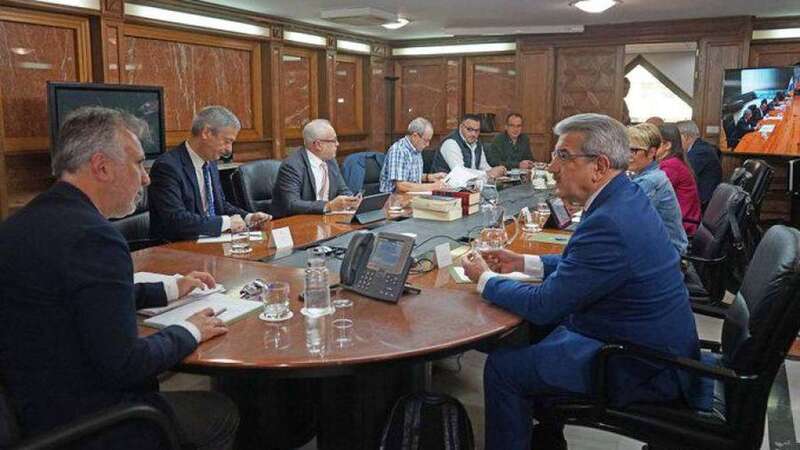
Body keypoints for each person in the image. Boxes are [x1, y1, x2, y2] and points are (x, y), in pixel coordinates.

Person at [0, 107, 238, 449]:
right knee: (219, 411)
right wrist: (191, 329)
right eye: (139, 163)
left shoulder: (24, 222)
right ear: (102, 167)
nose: (146, 178)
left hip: (29, 404)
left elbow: (81, 297)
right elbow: (127, 364)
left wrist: (170, 287)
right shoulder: (94, 236)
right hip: (87, 421)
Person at [460, 113, 703, 450]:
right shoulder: (624, 198)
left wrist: (483, 278)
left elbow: (545, 305)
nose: (552, 167)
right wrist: (524, 262)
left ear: (599, 166)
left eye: (563, 156)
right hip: (649, 342)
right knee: (532, 337)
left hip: (641, 365)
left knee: (504, 368)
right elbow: (587, 265)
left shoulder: (610, 220)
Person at [149, 105, 271, 241]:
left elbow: (220, 204)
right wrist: (225, 223)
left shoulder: (210, 162)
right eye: (226, 141)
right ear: (206, 133)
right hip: (176, 249)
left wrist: (248, 217)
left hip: (210, 243)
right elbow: (176, 219)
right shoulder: (167, 167)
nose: (229, 150)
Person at [271, 119, 359, 218]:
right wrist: (328, 206)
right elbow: (292, 204)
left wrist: (352, 200)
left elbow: (342, 189)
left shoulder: (330, 161)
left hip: (326, 219)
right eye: (333, 140)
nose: (337, 144)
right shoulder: (292, 166)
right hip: (296, 223)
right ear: (318, 145)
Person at [627, 123, 688, 255]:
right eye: (626, 150)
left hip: (668, 254)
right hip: (657, 245)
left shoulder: (651, 180)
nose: (628, 156)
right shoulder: (646, 174)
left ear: (652, 153)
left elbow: (627, 220)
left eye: (634, 151)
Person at [379, 117, 447, 193]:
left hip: (412, 197)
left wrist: (430, 177)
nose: (428, 144)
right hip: (394, 200)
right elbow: (401, 185)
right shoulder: (399, 150)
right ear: (415, 136)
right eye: (426, 140)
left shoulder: (416, 148)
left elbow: (410, 176)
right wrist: (433, 186)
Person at [658, 123, 702, 236]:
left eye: (654, 144)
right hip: (680, 222)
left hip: (681, 227)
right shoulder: (675, 161)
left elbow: (652, 197)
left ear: (667, 145)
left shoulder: (671, 165)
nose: (650, 148)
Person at [430, 113, 507, 178]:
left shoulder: (477, 143)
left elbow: (484, 167)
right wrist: (487, 174)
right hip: (444, 189)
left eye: (477, 130)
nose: (473, 134)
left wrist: (498, 172)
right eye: (469, 129)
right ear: (461, 127)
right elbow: (459, 172)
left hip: (468, 187)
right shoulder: (451, 143)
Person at [676, 120, 722, 209]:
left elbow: (681, 175)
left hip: (701, 205)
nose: (675, 143)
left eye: (677, 139)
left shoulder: (701, 151)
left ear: (685, 137)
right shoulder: (700, 148)